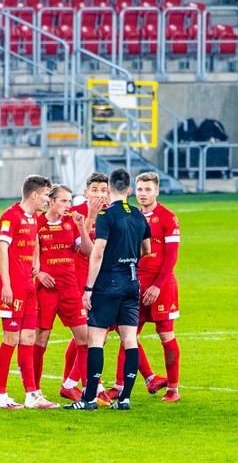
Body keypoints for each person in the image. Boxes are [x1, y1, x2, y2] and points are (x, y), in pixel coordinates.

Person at [64, 168, 152, 411]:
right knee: (130, 339)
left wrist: (89, 288)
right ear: (130, 190)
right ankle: (125, 399)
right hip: (132, 282)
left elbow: (98, 251)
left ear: (110, 188)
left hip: (108, 283)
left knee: (95, 340)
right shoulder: (138, 215)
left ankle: (89, 398)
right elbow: (146, 249)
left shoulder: (107, 215)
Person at [0, 175, 59, 409]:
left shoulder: (33, 219)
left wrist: (37, 261)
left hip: (28, 285)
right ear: (34, 195)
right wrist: (7, 284)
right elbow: (2, 249)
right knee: (10, 339)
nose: (47, 200)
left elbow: (34, 242)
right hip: (12, 286)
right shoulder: (10, 216)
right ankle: (0, 396)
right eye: (45, 195)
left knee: (29, 338)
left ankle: (31, 395)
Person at [33, 184, 93, 403]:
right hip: (45, 291)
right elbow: (28, 254)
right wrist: (38, 274)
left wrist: (83, 227)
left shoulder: (71, 222)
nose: (68, 205)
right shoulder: (37, 223)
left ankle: (88, 390)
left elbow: (87, 251)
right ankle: (35, 391)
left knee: (84, 338)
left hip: (70, 289)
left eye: (70, 201)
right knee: (41, 338)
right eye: (64, 201)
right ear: (51, 201)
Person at [126, 172, 182, 403]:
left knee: (165, 335)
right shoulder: (131, 216)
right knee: (126, 334)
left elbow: (171, 257)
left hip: (162, 285)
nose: (143, 194)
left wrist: (158, 286)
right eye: (139, 189)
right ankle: (146, 378)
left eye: (148, 189)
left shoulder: (168, 218)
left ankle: (173, 389)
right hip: (135, 283)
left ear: (157, 191)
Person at [62, 172, 109, 397]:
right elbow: (85, 249)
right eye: (94, 190)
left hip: (104, 280)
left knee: (97, 334)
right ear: (85, 192)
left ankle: (70, 383)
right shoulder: (75, 215)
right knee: (89, 335)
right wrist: (90, 217)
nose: (99, 195)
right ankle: (92, 385)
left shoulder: (111, 214)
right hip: (80, 282)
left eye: (103, 190)